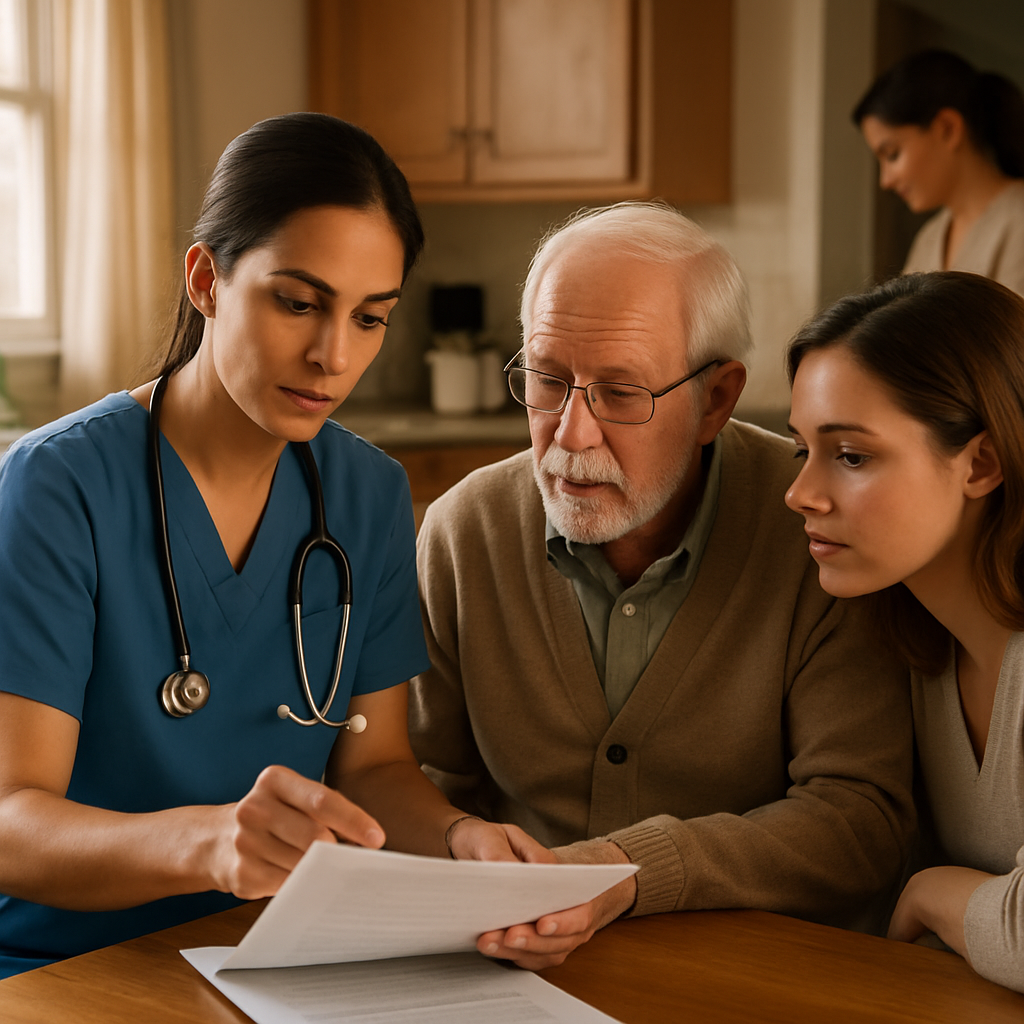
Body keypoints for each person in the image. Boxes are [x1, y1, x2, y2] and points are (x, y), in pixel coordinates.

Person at [0, 113, 547, 979]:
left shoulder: (365, 495)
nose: (332, 355)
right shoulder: (57, 486)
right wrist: (209, 844)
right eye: (298, 302)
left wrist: (458, 840)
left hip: (283, 962)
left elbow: (372, 767)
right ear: (207, 281)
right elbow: (11, 823)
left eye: (370, 318)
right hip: (69, 967)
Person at [409, 201, 916, 970]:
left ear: (715, 399)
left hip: (754, 975)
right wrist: (459, 847)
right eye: (548, 380)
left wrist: (622, 873)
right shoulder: (461, 532)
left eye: (620, 393)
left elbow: (859, 821)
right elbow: (424, 782)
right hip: (513, 971)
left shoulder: (817, 533)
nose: (571, 434)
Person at [785, 270, 1024, 994]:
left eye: (851, 455)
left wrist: (933, 893)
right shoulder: (913, 643)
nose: (800, 493)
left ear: (980, 462)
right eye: (803, 450)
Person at [853, 49, 1024, 295]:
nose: (886, 181)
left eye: (892, 154)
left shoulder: (1017, 221)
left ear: (947, 128)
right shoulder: (930, 237)